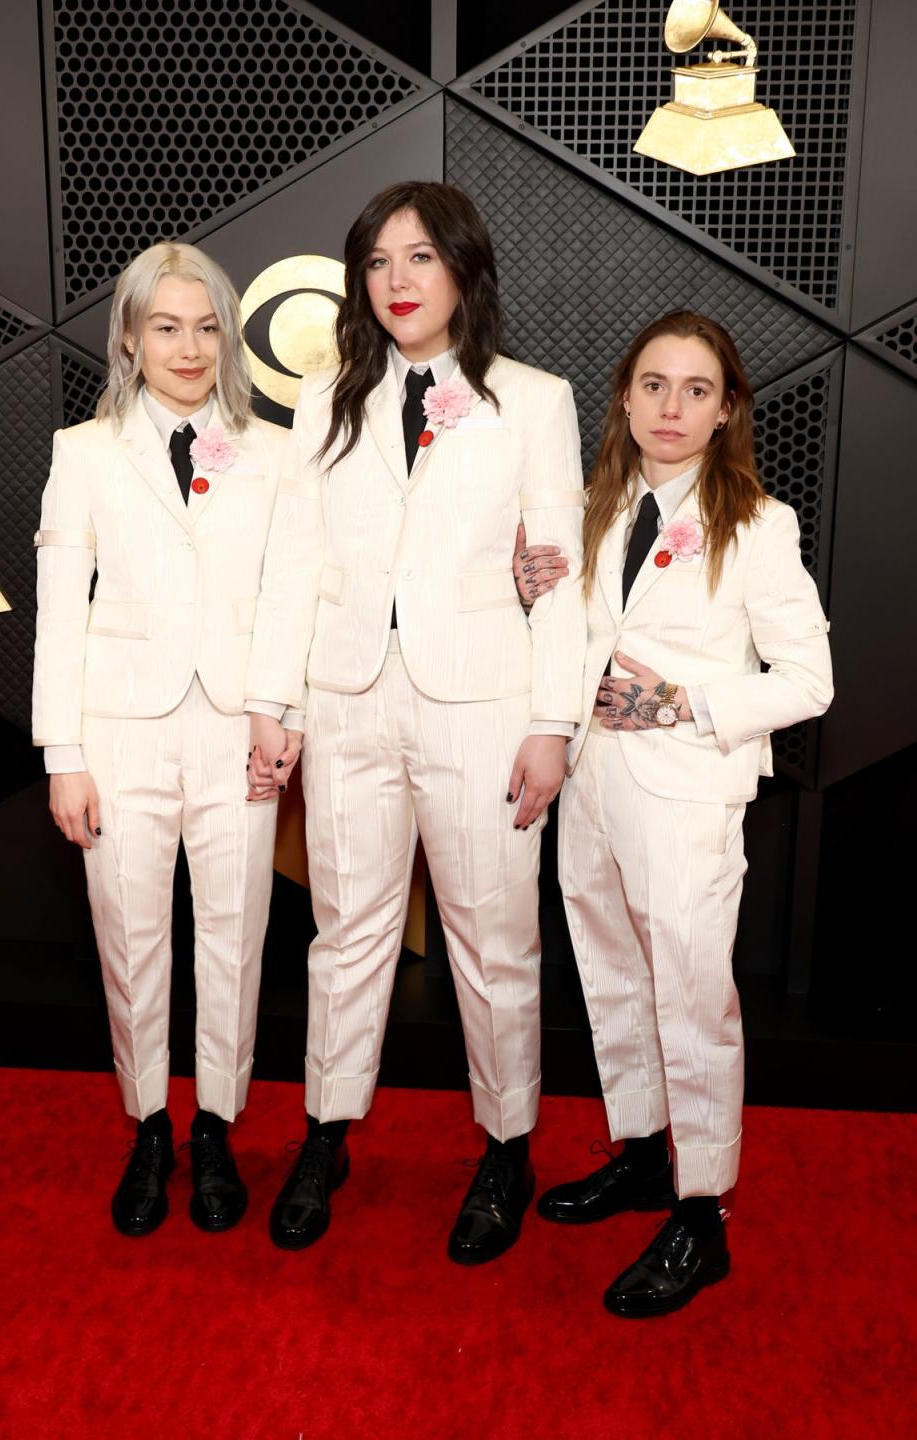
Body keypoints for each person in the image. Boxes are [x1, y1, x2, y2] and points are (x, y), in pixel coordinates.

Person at [245, 180, 587, 1264]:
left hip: (484, 704)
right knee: (347, 933)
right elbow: (292, 562)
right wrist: (275, 703)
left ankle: (506, 1146)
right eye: (379, 262)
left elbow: (562, 579)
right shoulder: (324, 396)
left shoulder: (534, 401)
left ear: (464, 270)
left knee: (494, 939)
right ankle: (327, 1131)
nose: (398, 281)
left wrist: (553, 723)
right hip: (348, 702)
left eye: (421, 258)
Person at [517, 311, 833, 1316]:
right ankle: (647, 1157)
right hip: (597, 787)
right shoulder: (593, 506)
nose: (672, 406)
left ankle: (704, 1220)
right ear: (623, 394)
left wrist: (687, 704)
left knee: (694, 1004)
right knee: (614, 984)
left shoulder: (759, 523)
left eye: (697, 390)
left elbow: (809, 680)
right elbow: (568, 630)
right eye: (654, 384)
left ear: (728, 408)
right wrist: (523, 588)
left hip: (690, 794)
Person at [33, 242, 296, 1236]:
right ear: (131, 339)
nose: (189, 347)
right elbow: (60, 613)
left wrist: (284, 714)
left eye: (206, 325)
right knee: (131, 939)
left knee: (235, 937)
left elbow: (289, 600)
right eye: (165, 326)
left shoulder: (274, 453)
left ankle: (216, 1126)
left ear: (228, 335)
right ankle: (148, 1125)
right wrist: (65, 755)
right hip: (120, 736)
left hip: (239, 734)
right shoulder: (84, 451)